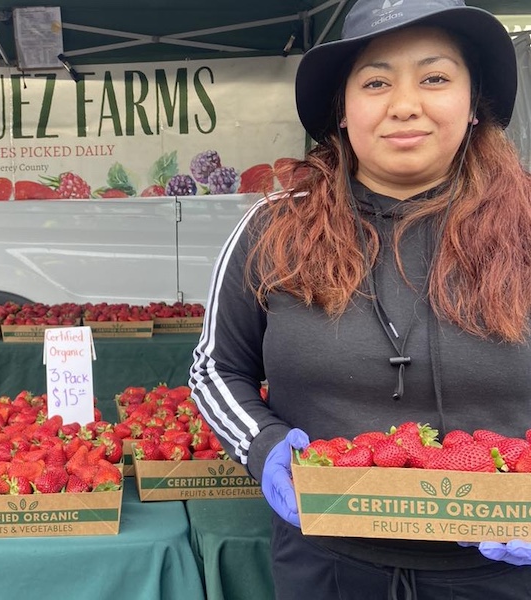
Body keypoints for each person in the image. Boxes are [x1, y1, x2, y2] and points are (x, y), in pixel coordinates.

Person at [189, 0, 531, 597]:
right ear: (343, 112)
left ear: (474, 104)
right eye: (375, 82)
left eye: (434, 78)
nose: (404, 103)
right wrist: (263, 447)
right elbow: (215, 369)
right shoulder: (273, 232)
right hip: (326, 567)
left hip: (502, 574)